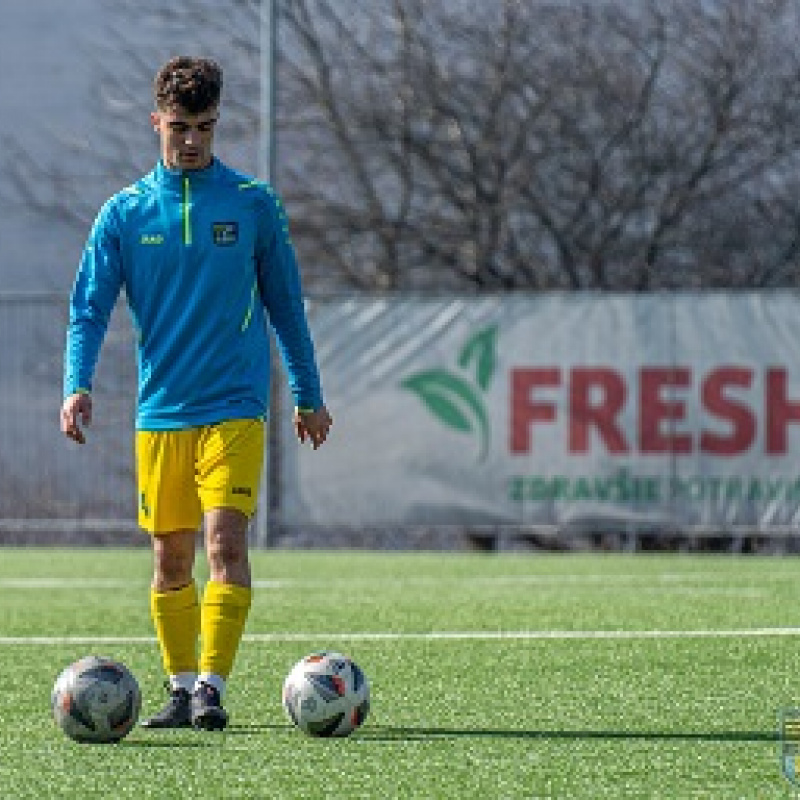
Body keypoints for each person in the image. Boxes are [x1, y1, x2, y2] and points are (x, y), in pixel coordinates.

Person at [60, 56, 332, 732]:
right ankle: (180, 691)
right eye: (180, 127)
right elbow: (88, 309)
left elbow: (286, 304)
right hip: (161, 414)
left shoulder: (252, 203)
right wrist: (77, 384)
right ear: (156, 121)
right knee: (169, 559)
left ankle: (212, 686)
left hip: (236, 407)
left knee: (225, 546)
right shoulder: (124, 213)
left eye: (205, 128)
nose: (192, 141)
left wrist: (307, 391)